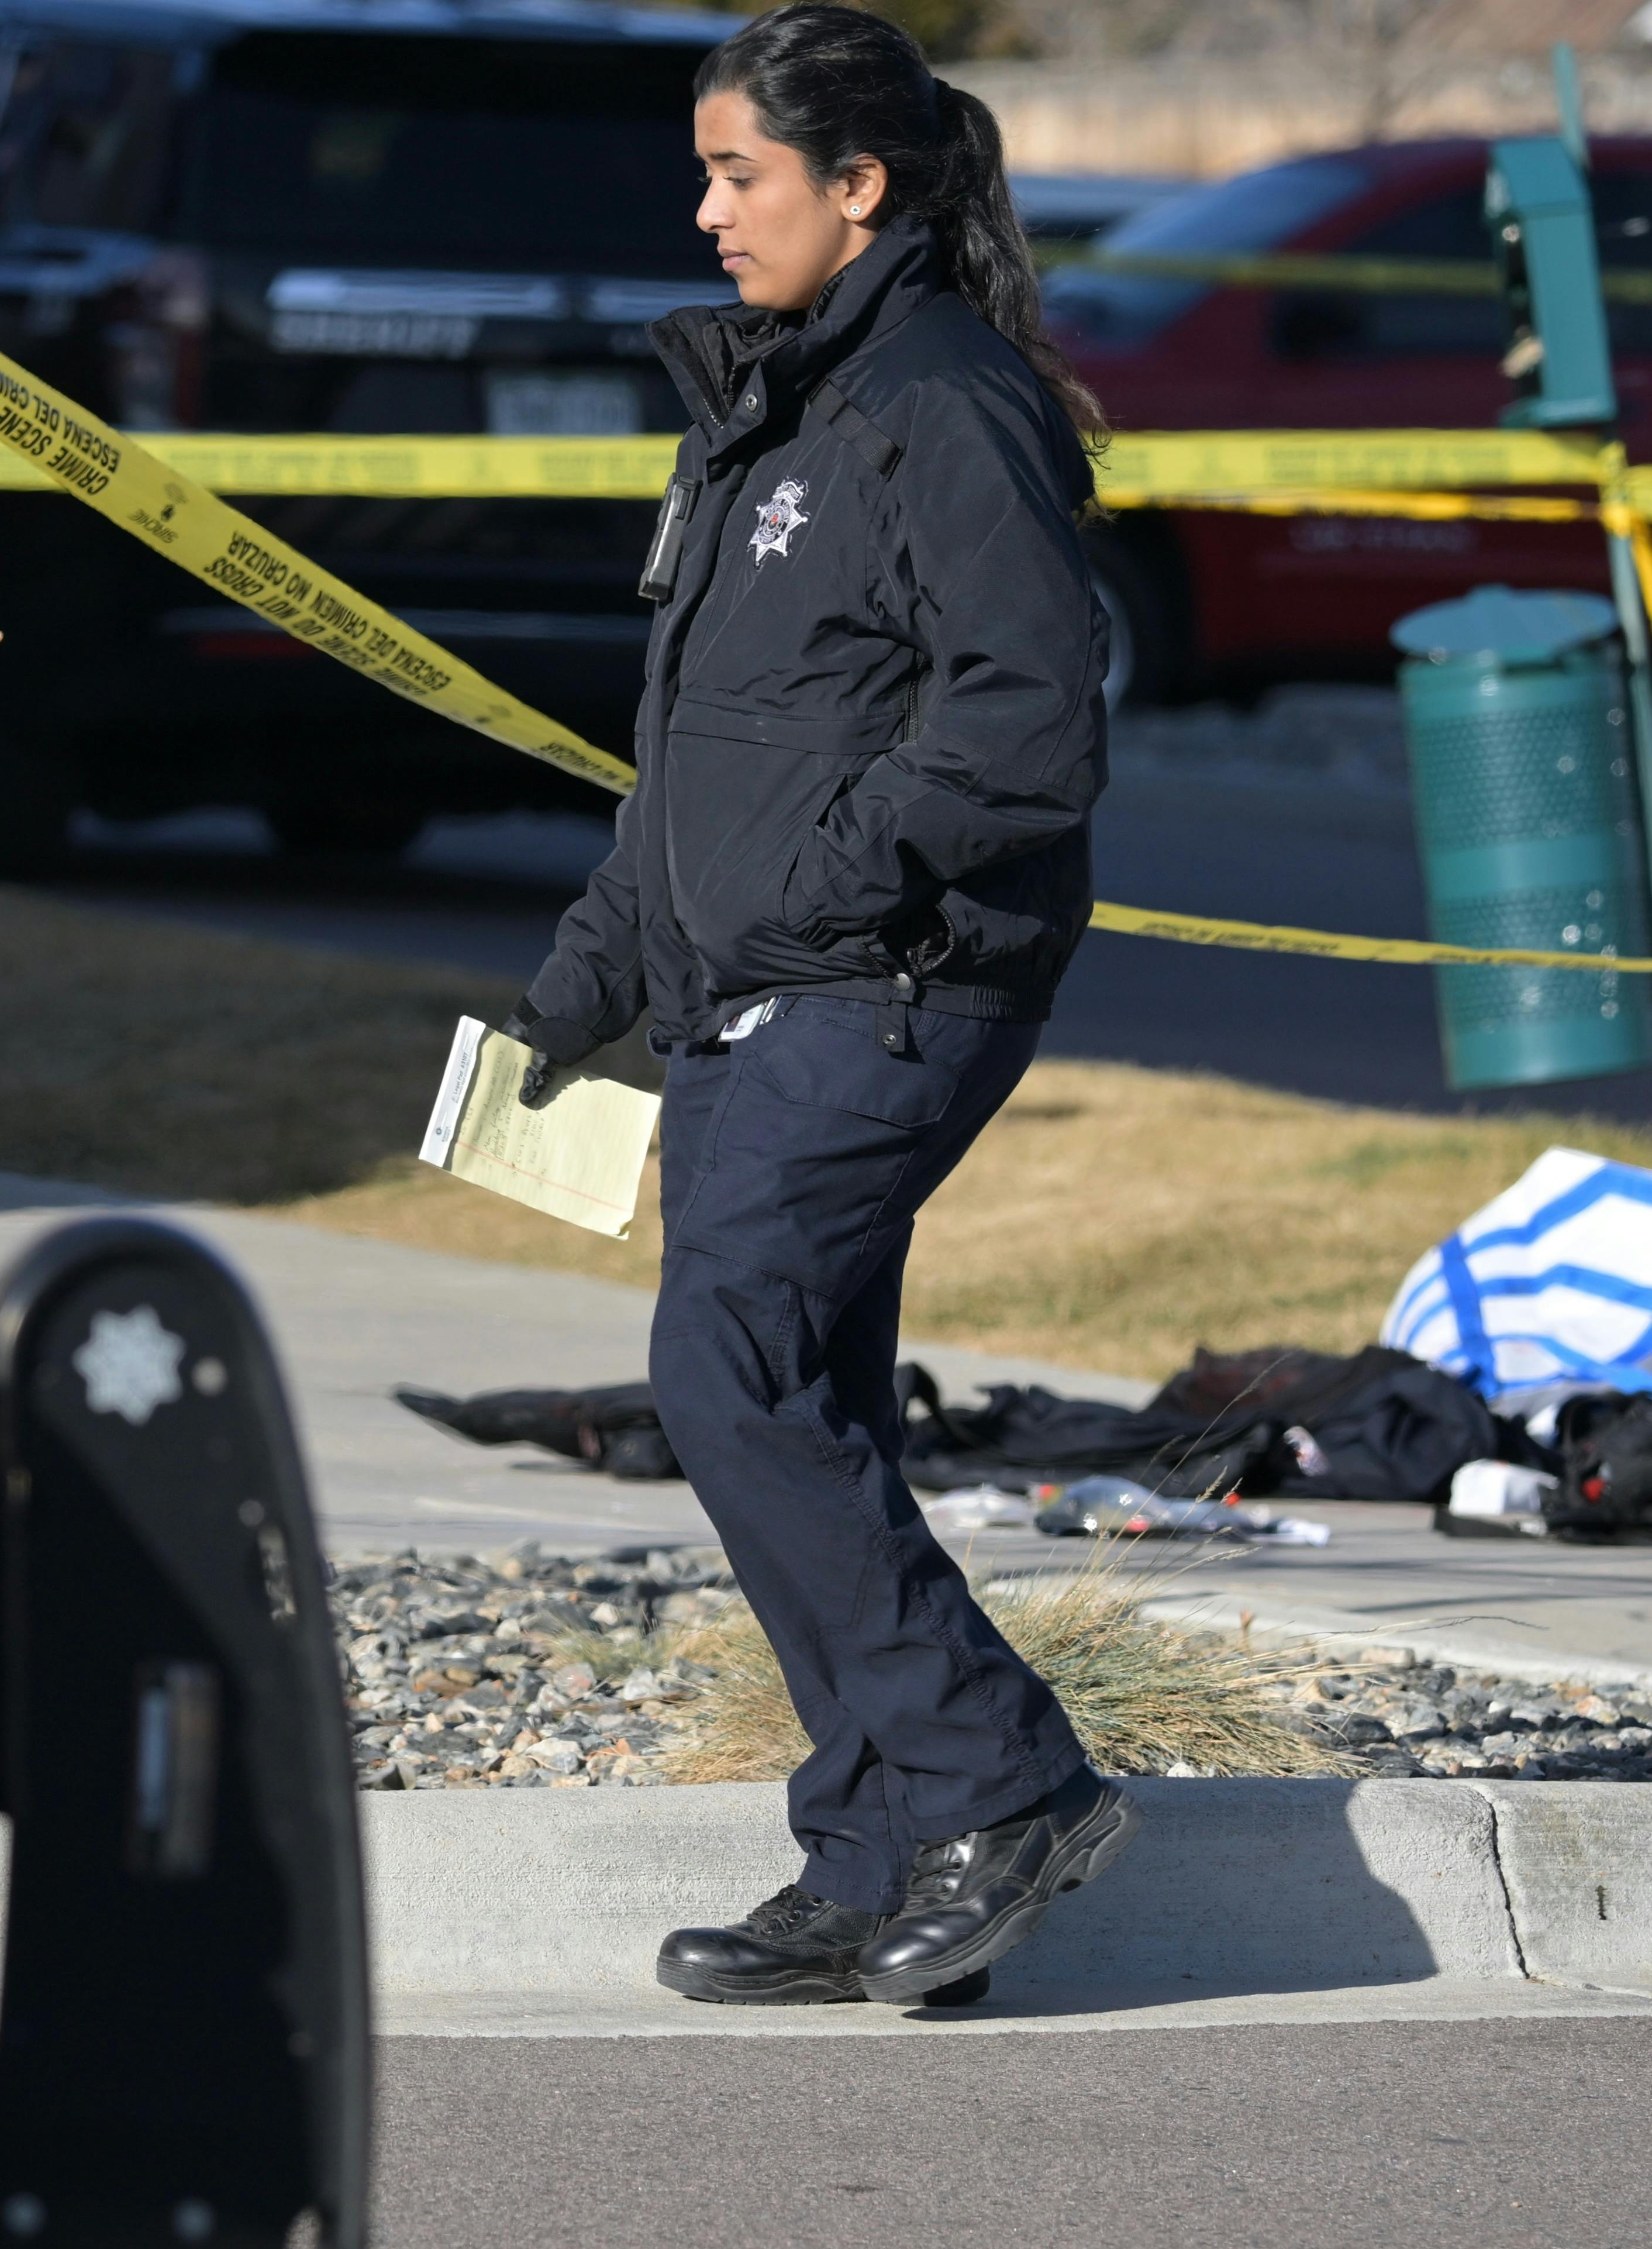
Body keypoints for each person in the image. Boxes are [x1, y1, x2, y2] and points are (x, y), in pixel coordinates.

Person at [495, 3, 1130, 2008]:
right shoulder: (765, 406)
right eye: (705, 173)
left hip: (889, 980)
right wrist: (582, 981)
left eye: (738, 175)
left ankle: (994, 1779)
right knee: (804, 1399)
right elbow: (697, 757)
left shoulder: (942, 401)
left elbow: (1026, 729)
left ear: (859, 189)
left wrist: (809, 888)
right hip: (757, 987)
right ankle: (876, 1856)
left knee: (726, 1375)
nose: (704, 214)